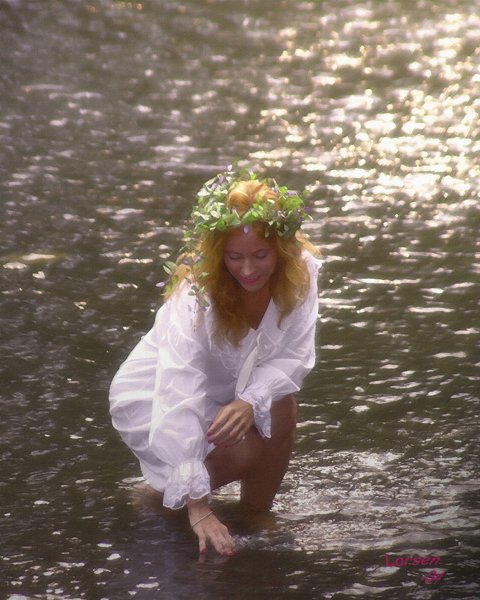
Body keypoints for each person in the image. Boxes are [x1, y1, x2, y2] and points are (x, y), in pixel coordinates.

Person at [109, 166, 321, 557]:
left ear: (282, 250)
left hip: (228, 387)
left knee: (283, 408)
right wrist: (199, 506)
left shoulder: (301, 272)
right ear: (219, 256)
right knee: (243, 451)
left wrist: (249, 400)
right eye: (234, 258)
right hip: (154, 390)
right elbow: (180, 382)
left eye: (260, 255)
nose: (248, 269)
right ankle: (160, 499)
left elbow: (295, 354)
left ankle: (254, 513)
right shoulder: (196, 294)